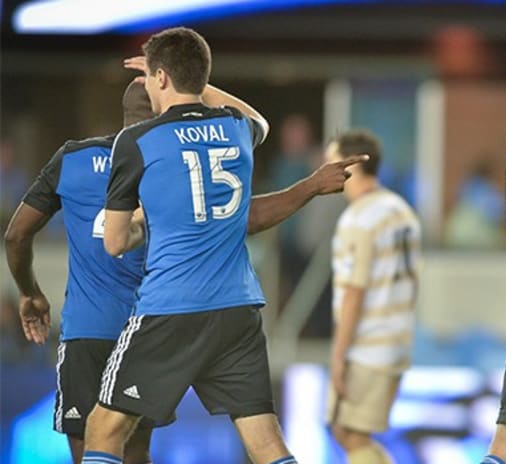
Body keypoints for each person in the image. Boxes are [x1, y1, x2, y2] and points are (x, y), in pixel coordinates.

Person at [82, 27, 300, 464]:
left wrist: (145, 223)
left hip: (170, 309)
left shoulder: (136, 142)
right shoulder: (237, 129)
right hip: (238, 308)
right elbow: (259, 120)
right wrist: (194, 81)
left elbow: (115, 242)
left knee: (104, 429)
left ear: (158, 78)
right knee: (265, 442)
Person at [4, 81, 161, 464]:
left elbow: (16, 236)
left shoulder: (72, 158)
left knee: (89, 453)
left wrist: (30, 293)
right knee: (136, 450)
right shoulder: (170, 163)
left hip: (85, 335)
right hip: (143, 332)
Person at [325, 129, 422, 464]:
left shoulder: (358, 218)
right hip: (397, 339)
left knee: (347, 431)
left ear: (349, 165)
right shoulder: (401, 210)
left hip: (367, 344)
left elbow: (355, 290)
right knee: (350, 431)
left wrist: (339, 356)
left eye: (330, 162)